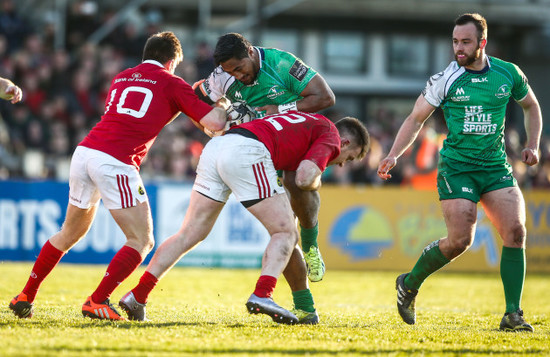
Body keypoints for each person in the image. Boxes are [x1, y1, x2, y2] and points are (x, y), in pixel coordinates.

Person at [9, 31, 228, 320]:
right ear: (173, 60)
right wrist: (222, 105)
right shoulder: (172, 82)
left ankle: (26, 294)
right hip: (116, 161)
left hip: (85, 151)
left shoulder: (122, 77)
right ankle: (97, 300)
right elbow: (214, 123)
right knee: (142, 240)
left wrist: (184, 105)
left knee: (70, 232)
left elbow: (145, 112)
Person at [118, 112, 370, 324]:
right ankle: (263, 294)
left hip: (217, 147)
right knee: (285, 232)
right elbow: (305, 177)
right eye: (346, 158)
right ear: (345, 142)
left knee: (188, 234)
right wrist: (316, 181)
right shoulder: (331, 135)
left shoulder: (307, 122)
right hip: (247, 151)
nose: (340, 164)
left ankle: (138, 295)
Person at [377, 13, 542, 332]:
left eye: (465, 42)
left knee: (516, 233)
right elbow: (415, 119)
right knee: (459, 240)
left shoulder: (508, 73)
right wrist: (393, 154)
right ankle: (409, 284)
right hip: (457, 169)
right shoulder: (445, 79)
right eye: (455, 42)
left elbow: (531, 106)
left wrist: (532, 144)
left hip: (495, 168)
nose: (459, 48)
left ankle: (512, 314)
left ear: (483, 42)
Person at [194, 32, 335, 323]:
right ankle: (305, 305)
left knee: (299, 188)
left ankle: (310, 244)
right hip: (255, 148)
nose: (237, 75)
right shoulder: (221, 76)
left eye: (239, 67)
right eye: (230, 71)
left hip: (292, 137)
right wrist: (214, 118)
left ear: (249, 51)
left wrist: (281, 109)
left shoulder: (281, 63)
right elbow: (193, 98)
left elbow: (325, 97)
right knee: (282, 231)